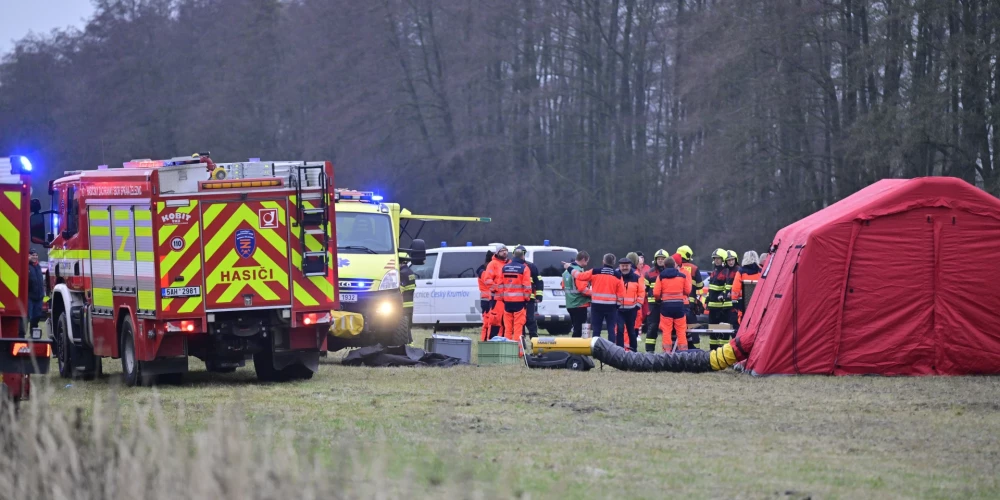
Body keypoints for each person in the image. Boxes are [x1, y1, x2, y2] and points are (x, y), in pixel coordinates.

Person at [574, 253, 625, 344]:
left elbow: (580, 276)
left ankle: (595, 348)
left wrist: (569, 268)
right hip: (611, 306)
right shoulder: (617, 275)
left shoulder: (595, 271)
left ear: (603, 261)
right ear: (613, 263)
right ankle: (611, 349)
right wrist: (618, 304)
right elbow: (621, 293)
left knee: (596, 329)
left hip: (596, 305)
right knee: (611, 329)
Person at [653, 256, 692, 351]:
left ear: (664, 265)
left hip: (666, 307)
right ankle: (683, 352)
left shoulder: (661, 276)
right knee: (681, 331)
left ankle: (667, 352)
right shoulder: (682, 276)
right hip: (679, 306)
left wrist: (659, 299)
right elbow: (688, 290)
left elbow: (656, 293)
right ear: (674, 265)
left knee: (666, 331)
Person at [499, 255, 532, 345]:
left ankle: (507, 349)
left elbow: (500, 285)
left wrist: (503, 298)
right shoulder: (524, 268)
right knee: (518, 327)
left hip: (507, 302)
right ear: (522, 257)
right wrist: (527, 298)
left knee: (508, 328)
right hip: (519, 302)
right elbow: (527, 286)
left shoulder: (504, 267)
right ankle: (517, 349)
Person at [706, 248, 735, 351]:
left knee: (723, 332)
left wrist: (723, 297)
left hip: (722, 308)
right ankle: (712, 351)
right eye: (715, 258)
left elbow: (727, 288)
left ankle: (722, 352)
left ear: (723, 259)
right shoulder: (714, 271)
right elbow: (711, 288)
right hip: (713, 307)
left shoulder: (726, 272)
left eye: (718, 258)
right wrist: (707, 299)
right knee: (712, 331)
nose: (716, 260)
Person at [512, 245, 543, 338]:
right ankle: (521, 343)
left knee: (530, 320)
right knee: (519, 322)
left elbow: (539, 281)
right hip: (516, 299)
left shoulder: (531, 266)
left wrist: (539, 296)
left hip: (529, 299)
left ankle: (534, 342)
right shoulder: (511, 266)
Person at [642, 249, 670, 352]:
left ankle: (668, 351)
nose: (660, 260)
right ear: (655, 260)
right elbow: (644, 289)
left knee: (668, 329)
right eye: (659, 259)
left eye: (663, 259)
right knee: (652, 328)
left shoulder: (669, 272)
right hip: (653, 306)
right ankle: (649, 351)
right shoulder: (649, 273)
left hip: (666, 304)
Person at [482, 245, 510, 338]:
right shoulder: (493, 264)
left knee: (506, 323)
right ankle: (492, 341)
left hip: (509, 299)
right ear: (497, 253)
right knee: (495, 322)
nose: (504, 252)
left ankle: (504, 341)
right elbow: (487, 280)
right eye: (502, 251)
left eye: (506, 250)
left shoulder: (510, 263)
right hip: (496, 299)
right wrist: (498, 289)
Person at [615, 256, 642, 351]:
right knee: (620, 330)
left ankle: (634, 351)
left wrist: (638, 305)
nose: (624, 268)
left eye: (626, 266)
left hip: (632, 309)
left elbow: (641, 292)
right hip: (619, 310)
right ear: (619, 266)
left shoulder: (637, 278)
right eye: (623, 266)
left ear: (630, 266)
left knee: (631, 331)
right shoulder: (616, 277)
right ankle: (619, 351)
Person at [561, 251, 591, 337]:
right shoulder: (579, 271)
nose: (587, 264)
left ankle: (573, 344)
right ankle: (575, 345)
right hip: (580, 304)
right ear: (583, 259)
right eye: (587, 261)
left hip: (570, 304)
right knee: (579, 330)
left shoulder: (566, 272)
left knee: (575, 327)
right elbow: (582, 289)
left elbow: (563, 286)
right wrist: (594, 294)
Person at [731, 250, 762, 328]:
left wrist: (734, 301)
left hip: (743, 304)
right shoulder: (761, 271)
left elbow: (736, 288)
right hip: (758, 303)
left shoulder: (741, 272)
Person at [477, 250, 496, 341]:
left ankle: (488, 340)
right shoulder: (484, 272)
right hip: (487, 300)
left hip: (489, 300)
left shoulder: (483, 270)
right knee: (487, 323)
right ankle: (485, 342)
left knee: (490, 323)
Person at [399, 254, 416, 340]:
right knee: (408, 325)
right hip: (410, 304)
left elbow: (400, 290)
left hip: (403, 304)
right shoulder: (410, 272)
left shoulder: (402, 273)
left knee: (403, 326)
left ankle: (408, 342)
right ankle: (410, 342)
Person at [633, 252, 649, 339]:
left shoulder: (640, 273)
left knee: (640, 317)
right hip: (636, 299)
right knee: (636, 317)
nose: (642, 266)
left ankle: (638, 334)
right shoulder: (636, 273)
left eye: (642, 264)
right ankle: (636, 334)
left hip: (641, 298)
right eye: (640, 264)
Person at [28, 249, 44, 330]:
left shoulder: (38, 266)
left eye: (36, 255)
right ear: (28, 256)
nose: (35, 257)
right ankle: (21, 334)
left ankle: (33, 332)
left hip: (39, 297)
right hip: (29, 297)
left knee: (37, 316)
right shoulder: (26, 266)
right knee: (28, 316)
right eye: (32, 255)